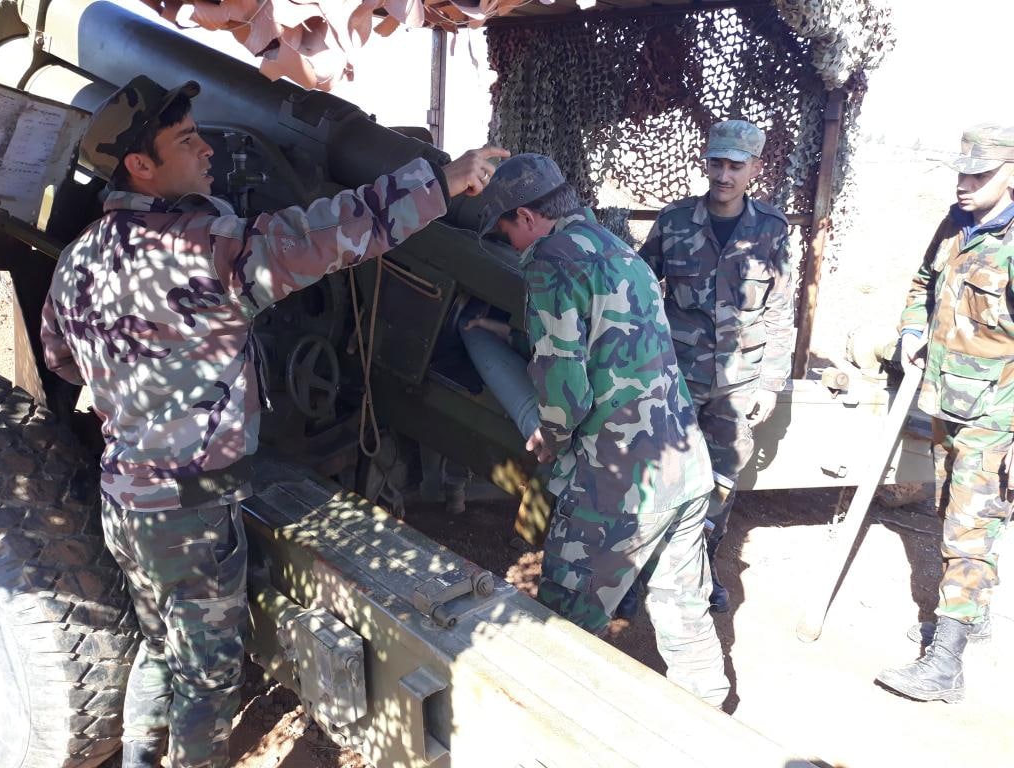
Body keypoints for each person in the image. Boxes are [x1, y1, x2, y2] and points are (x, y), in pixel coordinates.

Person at [40, 74, 507, 767]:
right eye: (186, 140)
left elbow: (61, 359)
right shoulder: (207, 249)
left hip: (125, 501)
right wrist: (441, 181)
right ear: (140, 164)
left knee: (160, 646)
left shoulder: (79, 260)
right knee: (206, 679)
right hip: (191, 510)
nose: (205, 149)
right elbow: (331, 231)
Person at [472, 153, 729, 707]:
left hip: (620, 485)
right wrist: (507, 334)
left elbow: (567, 390)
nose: (508, 243)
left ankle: (561, 728)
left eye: (504, 230)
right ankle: (712, 715)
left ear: (526, 216)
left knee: (564, 624)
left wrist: (549, 438)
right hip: (685, 467)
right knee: (685, 612)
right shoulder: (615, 248)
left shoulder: (550, 261)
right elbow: (611, 344)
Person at [876, 124, 1014, 704]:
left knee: (969, 527)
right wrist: (912, 329)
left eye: (979, 175)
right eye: (961, 172)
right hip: (944, 402)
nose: (965, 183)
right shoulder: (955, 224)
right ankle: (970, 617)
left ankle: (945, 665)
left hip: (997, 415)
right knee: (951, 511)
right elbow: (922, 282)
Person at [636, 119, 794, 614]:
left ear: (755, 169)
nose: (724, 176)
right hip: (676, 377)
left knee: (721, 482)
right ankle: (645, 569)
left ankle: (701, 569)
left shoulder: (771, 230)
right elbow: (640, 288)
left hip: (738, 383)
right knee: (662, 472)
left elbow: (780, 309)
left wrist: (770, 383)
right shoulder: (675, 221)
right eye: (717, 163)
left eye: (735, 166)